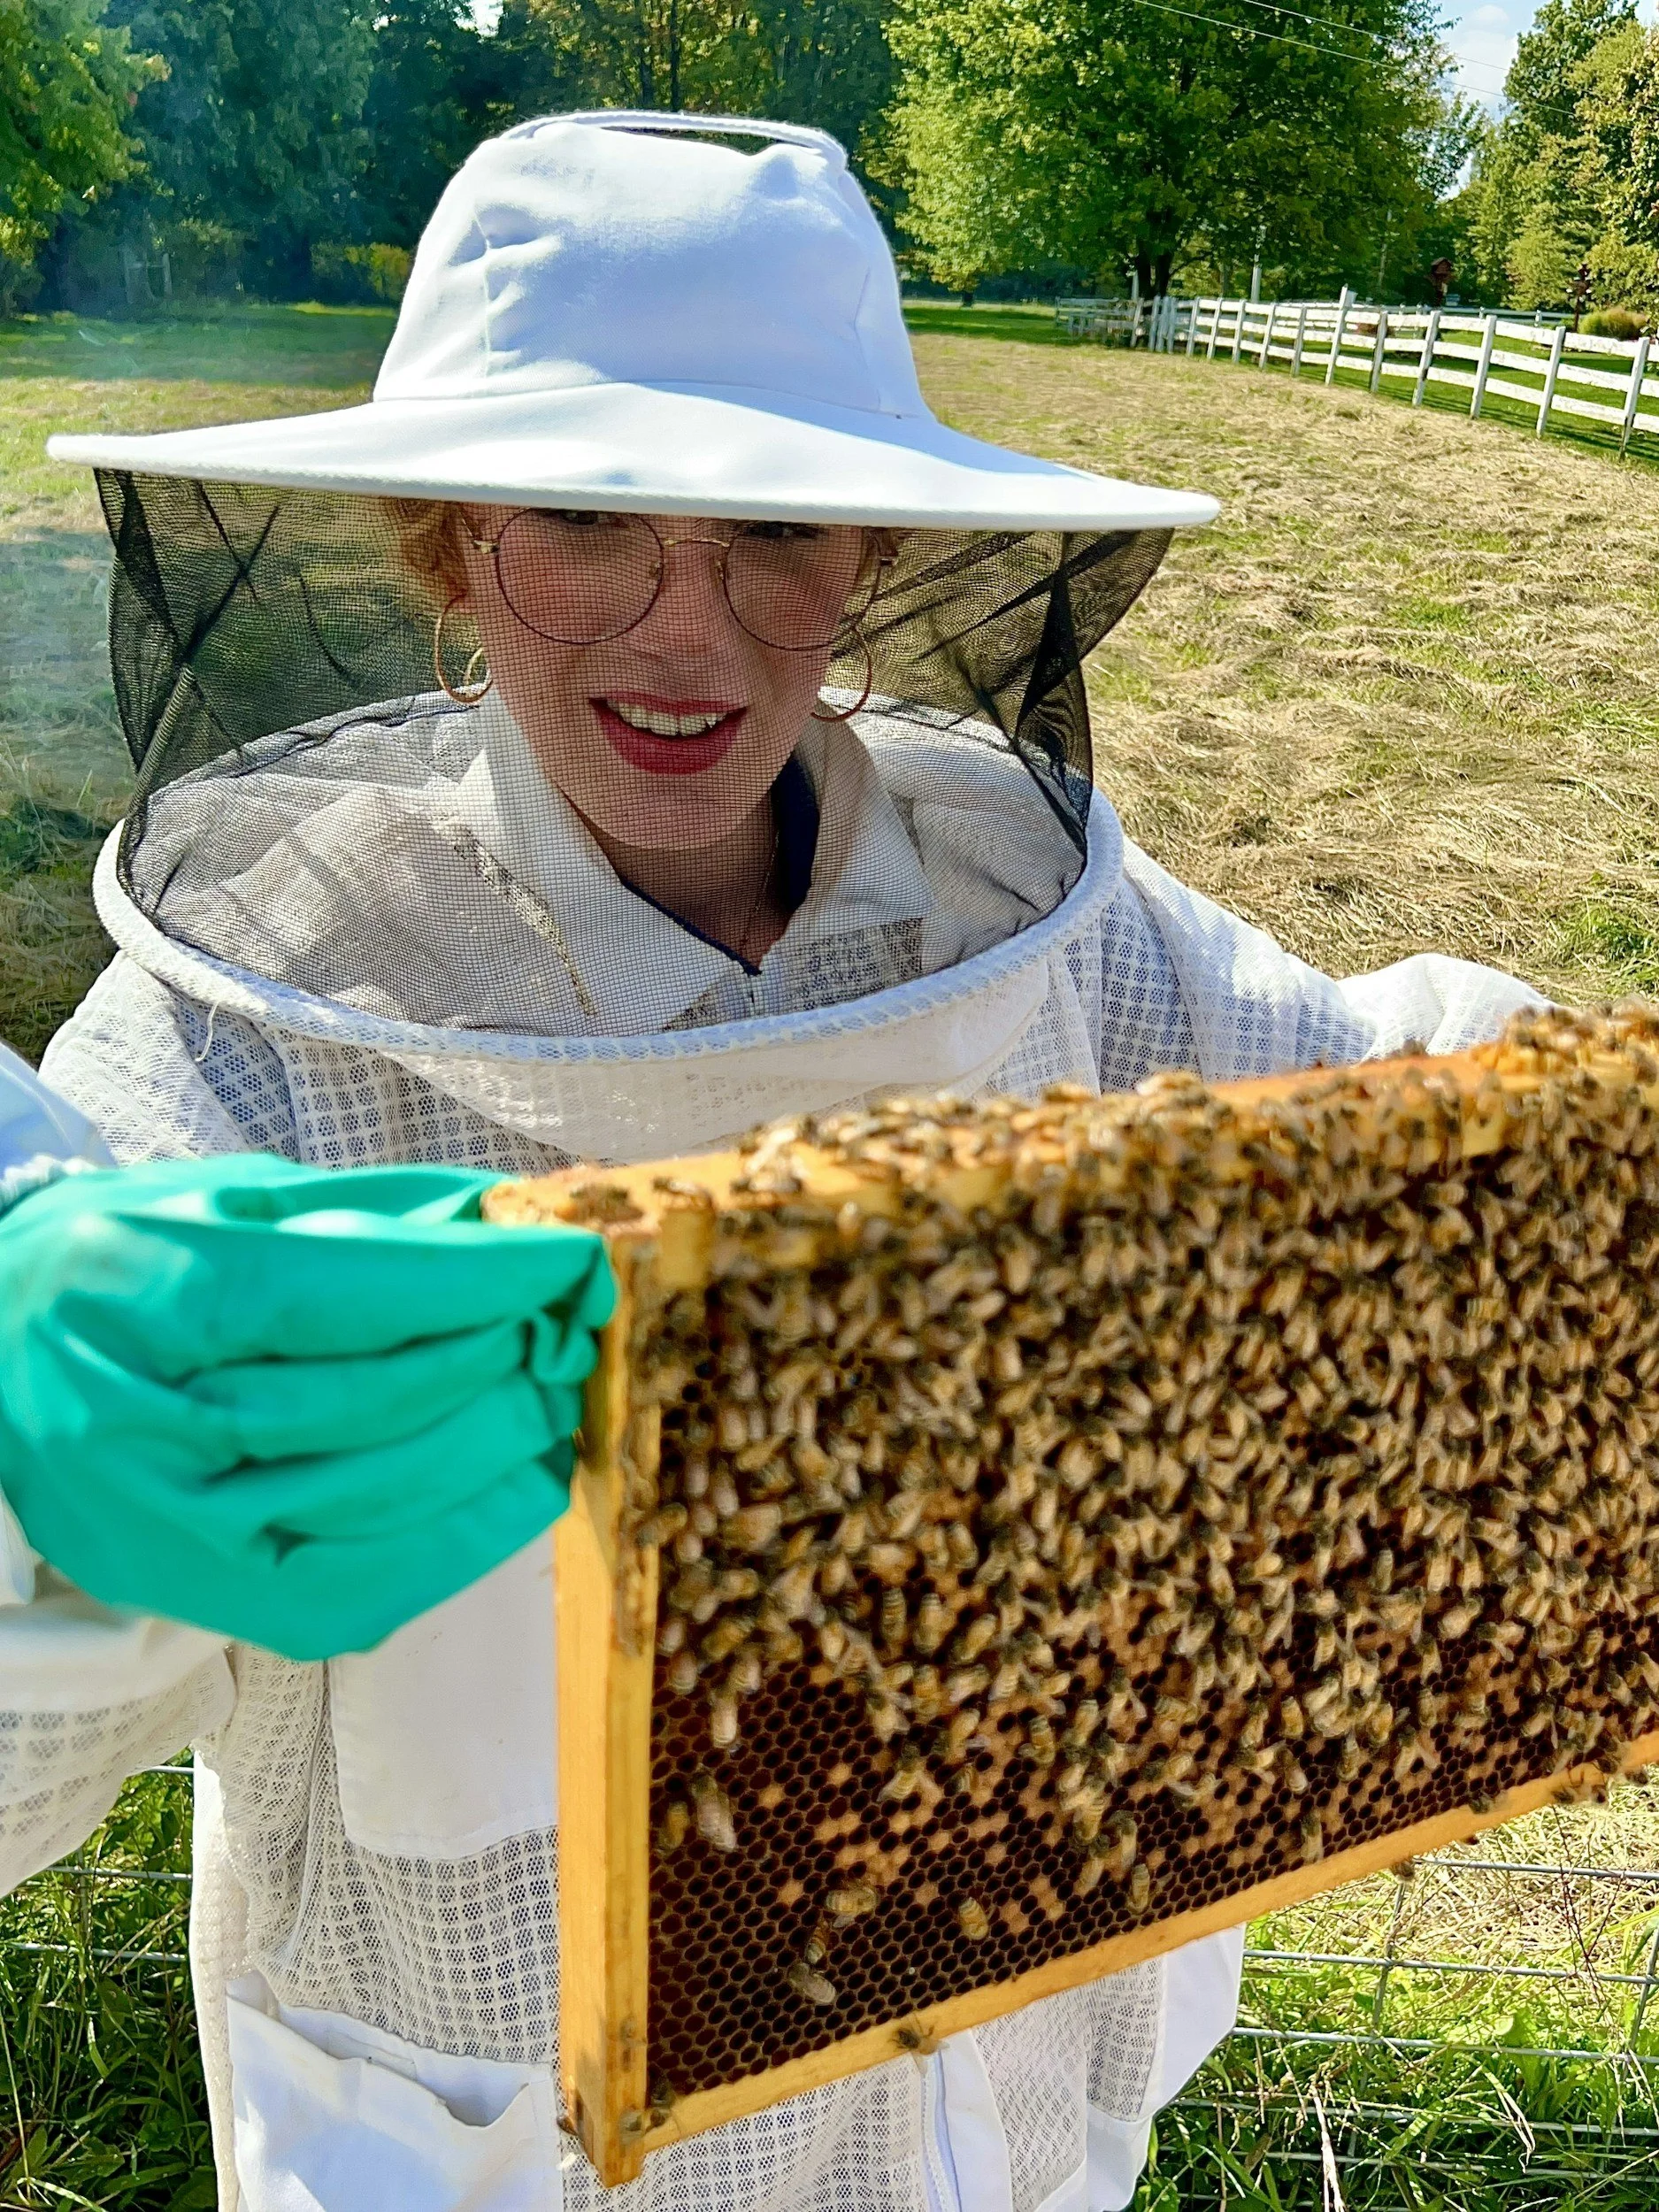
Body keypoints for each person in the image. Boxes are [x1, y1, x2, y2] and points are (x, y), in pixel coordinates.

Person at [26, 111, 1542, 2212]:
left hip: (1002, 2118)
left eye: (771, 529)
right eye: (585, 518)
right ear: (448, 538)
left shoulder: (1033, 914)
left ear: (872, 555)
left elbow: (1393, 1092)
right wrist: (33, 1484)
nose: (690, 626)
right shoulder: (254, 1027)